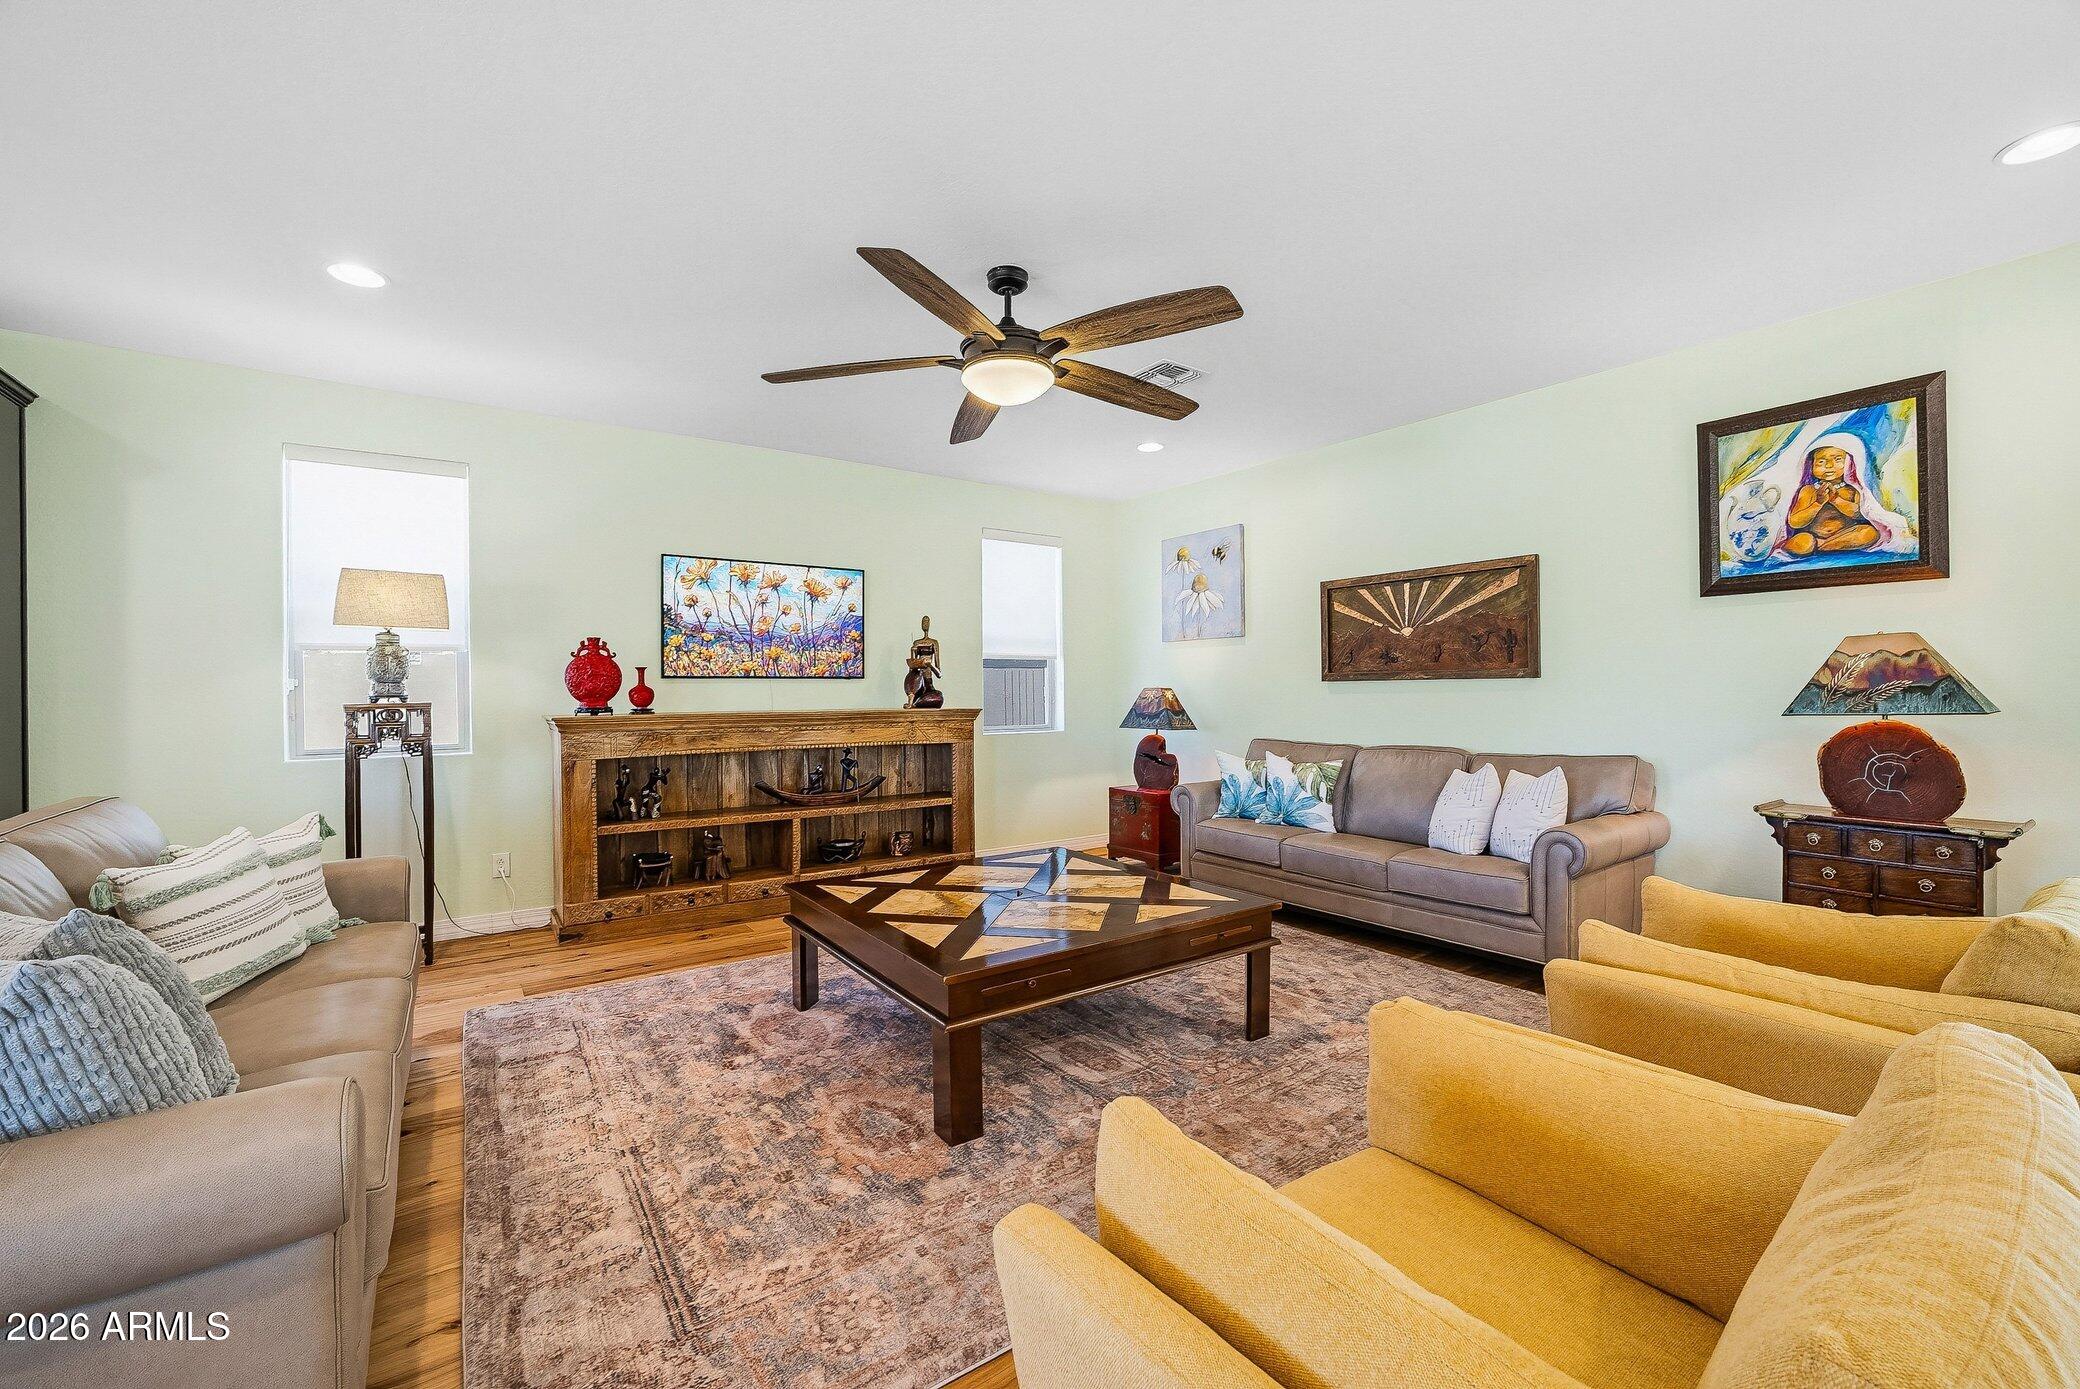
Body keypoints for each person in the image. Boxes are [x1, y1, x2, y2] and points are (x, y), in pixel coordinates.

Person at [1779, 432, 1886, 558]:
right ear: (1810, 465)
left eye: (1837, 459)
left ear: (1849, 463)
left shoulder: (1852, 490)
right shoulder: (1808, 490)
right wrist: (1817, 503)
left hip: (1844, 536)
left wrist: (1836, 499)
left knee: (1869, 533)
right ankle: (1819, 545)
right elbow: (1795, 522)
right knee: (1803, 542)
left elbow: (1860, 514)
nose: (1829, 466)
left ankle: (1824, 546)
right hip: (1812, 537)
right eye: (1821, 462)